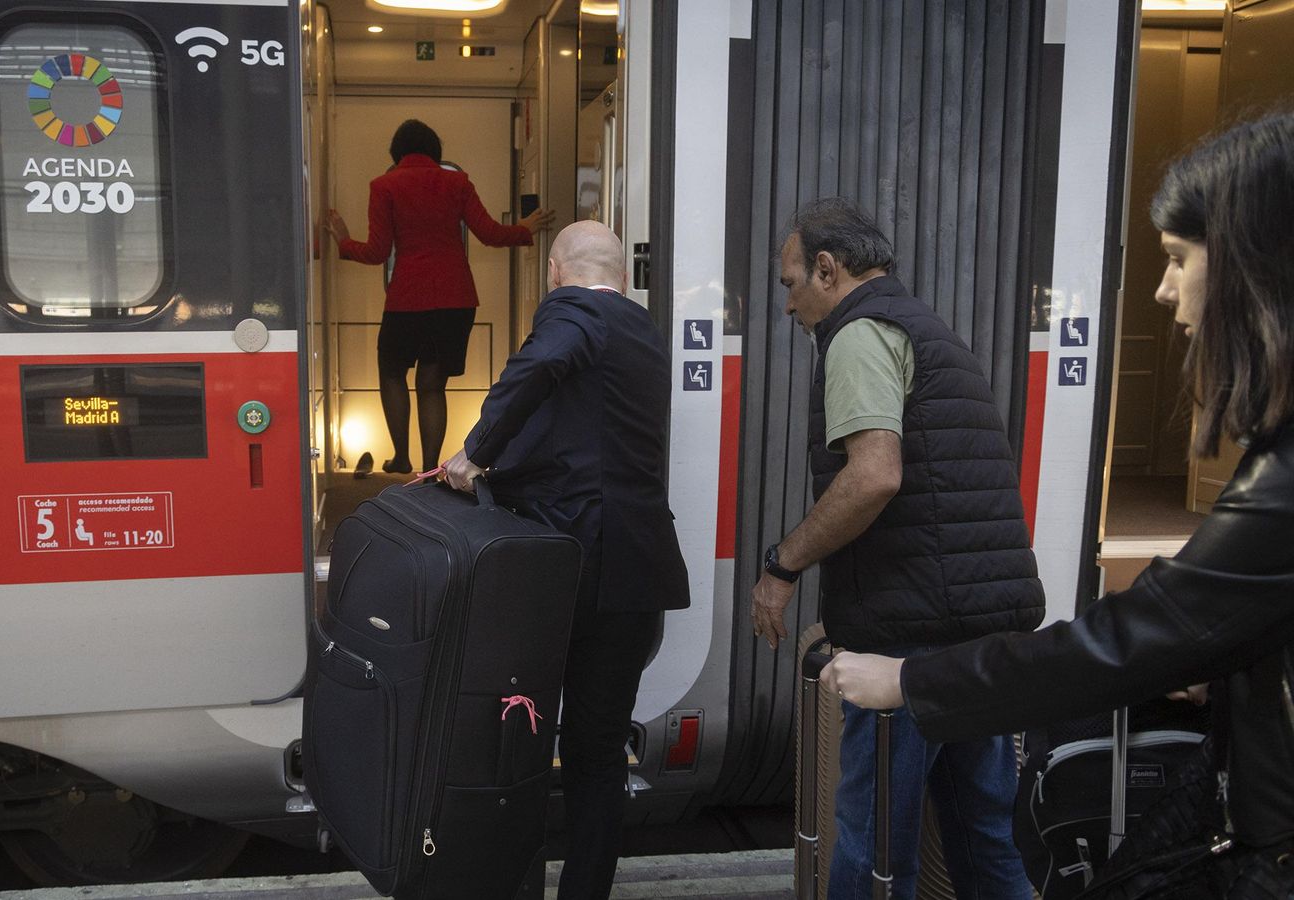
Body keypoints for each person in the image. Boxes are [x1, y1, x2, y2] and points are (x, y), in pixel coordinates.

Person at [823, 112, 1294, 899]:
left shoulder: (1282, 480)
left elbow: (1130, 638)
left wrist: (913, 680)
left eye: (1180, 258)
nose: (1163, 287)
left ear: (1256, 266)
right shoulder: (933, 335)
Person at [750, 199, 1044, 899]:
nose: (787, 307)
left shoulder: (860, 334)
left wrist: (781, 565)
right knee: (983, 840)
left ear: (828, 269)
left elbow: (874, 475)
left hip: (910, 633)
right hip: (979, 626)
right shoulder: (928, 328)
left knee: (874, 850)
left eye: (791, 284)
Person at [441, 220, 689, 900]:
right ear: (625, 276)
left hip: (564, 568)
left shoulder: (575, 311)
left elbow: (542, 364)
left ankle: (510, 885)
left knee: (516, 739)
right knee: (597, 753)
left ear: (555, 270)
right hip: (634, 573)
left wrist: (477, 450)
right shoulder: (643, 331)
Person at [327, 119, 554, 474]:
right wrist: (523, 229)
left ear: (396, 153)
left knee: (391, 373)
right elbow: (490, 233)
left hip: (407, 297)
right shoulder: (457, 182)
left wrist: (343, 242)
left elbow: (376, 251)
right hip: (454, 298)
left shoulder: (384, 185)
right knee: (432, 386)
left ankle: (401, 457)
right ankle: (430, 467)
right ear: (436, 151)